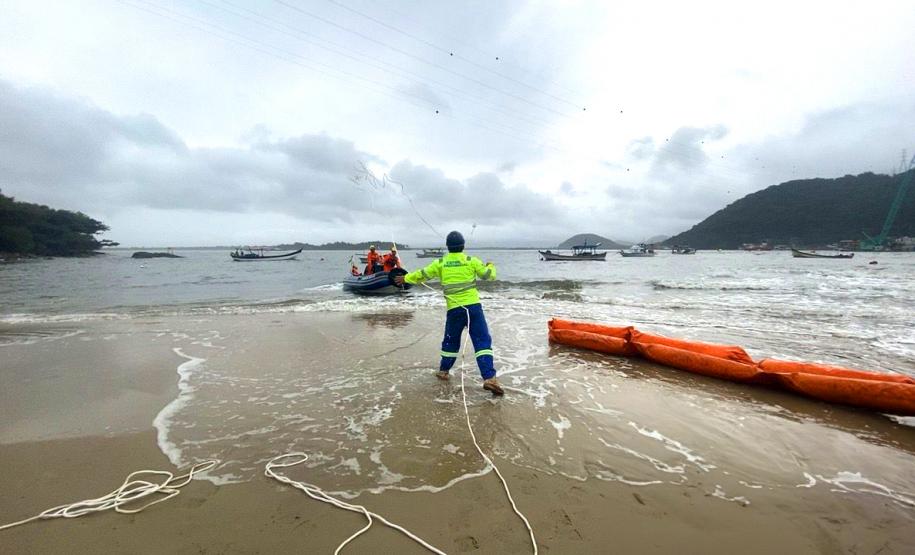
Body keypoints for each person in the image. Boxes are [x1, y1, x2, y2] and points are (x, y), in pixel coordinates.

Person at [394, 231, 503, 395]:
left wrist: (405, 278)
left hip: (454, 310)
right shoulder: (470, 261)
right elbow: (490, 276)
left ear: (448, 247)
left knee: (451, 342)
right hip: (473, 309)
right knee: (482, 341)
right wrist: (490, 265)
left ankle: (444, 371)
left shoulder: (441, 262)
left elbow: (422, 274)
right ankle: (489, 378)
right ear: (463, 245)